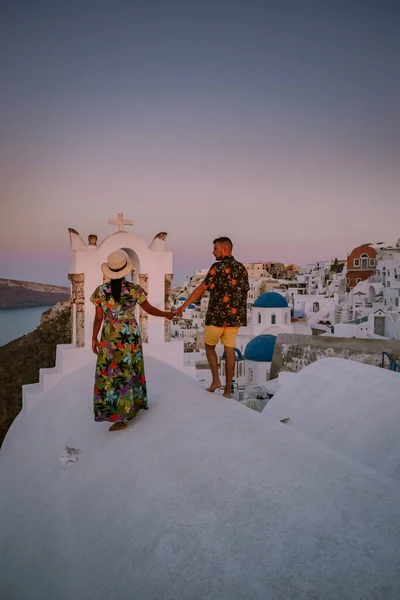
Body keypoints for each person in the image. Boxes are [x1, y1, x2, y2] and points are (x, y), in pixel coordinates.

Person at [91, 249, 175, 432]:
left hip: (109, 335)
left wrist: (94, 338)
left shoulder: (100, 291)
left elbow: (98, 318)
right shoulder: (134, 290)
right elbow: (150, 309)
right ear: (125, 270)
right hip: (129, 335)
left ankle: (115, 413)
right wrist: (166, 314)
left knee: (109, 374)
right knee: (128, 369)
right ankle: (131, 408)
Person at [176, 237, 249, 398]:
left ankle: (216, 380)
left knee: (210, 347)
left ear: (224, 249)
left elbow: (202, 288)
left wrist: (184, 305)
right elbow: (244, 292)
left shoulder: (218, 267)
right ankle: (228, 391)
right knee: (230, 351)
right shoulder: (242, 268)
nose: (212, 251)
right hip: (234, 319)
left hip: (217, 316)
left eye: (215, 248)